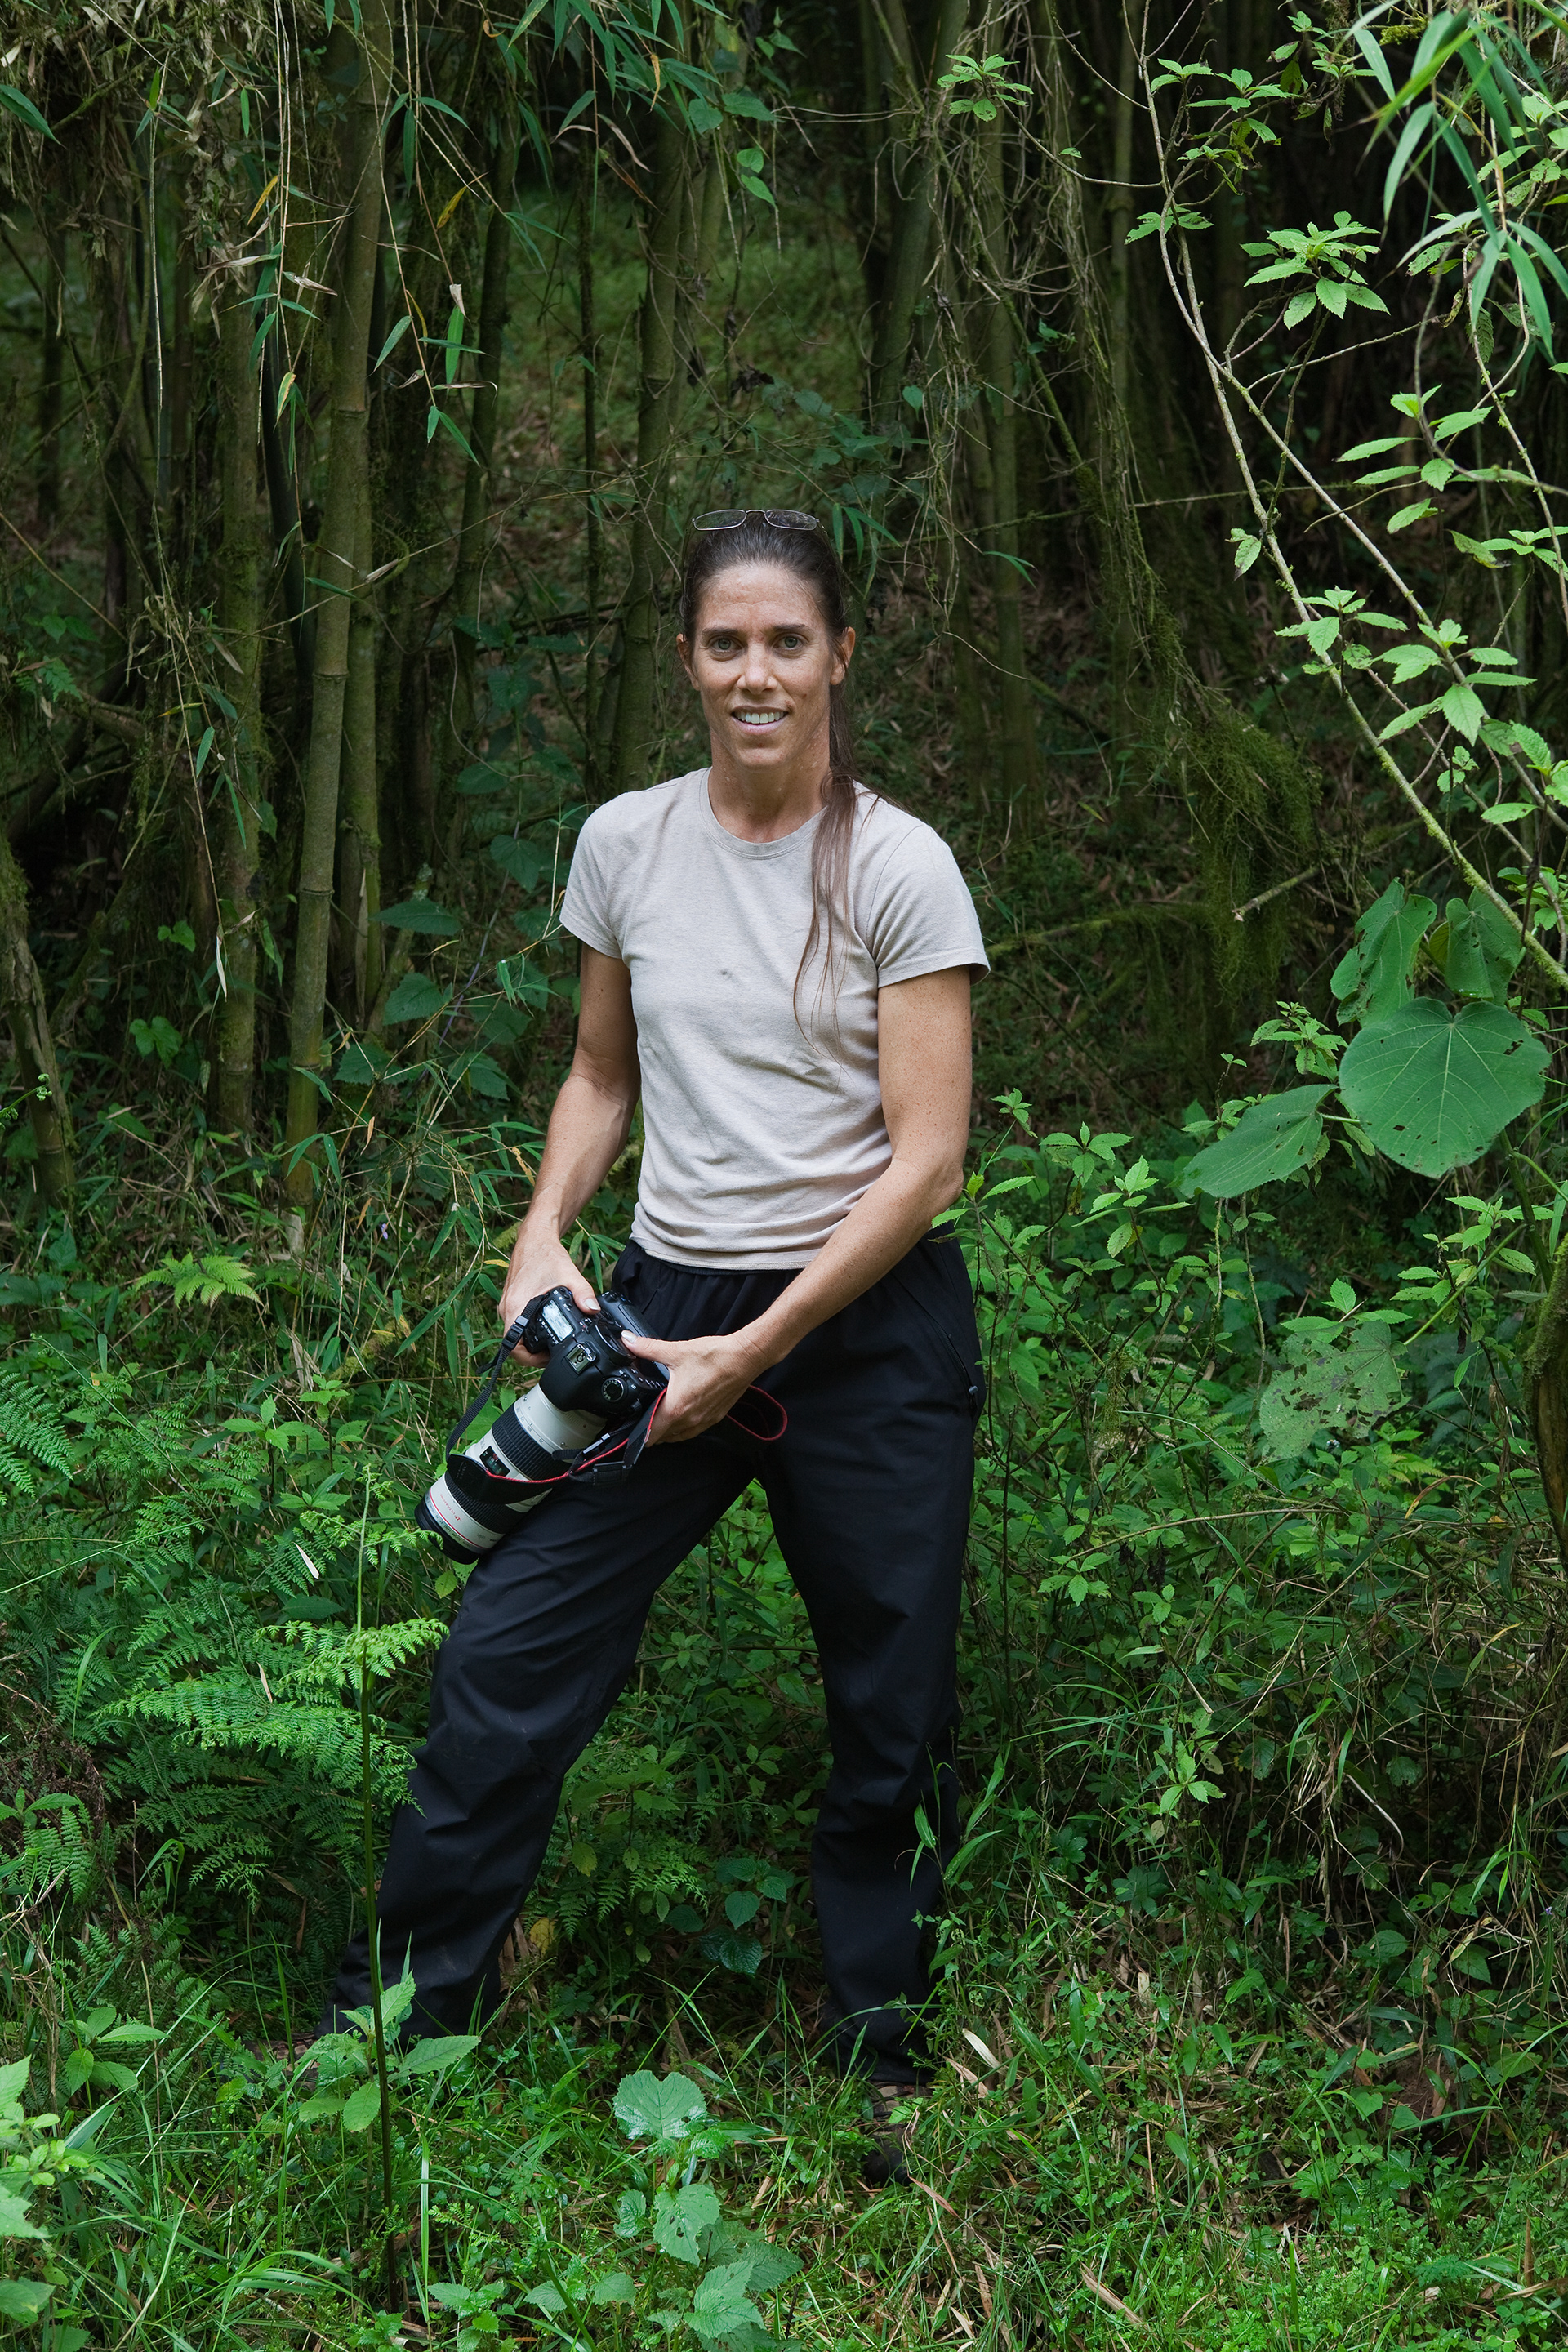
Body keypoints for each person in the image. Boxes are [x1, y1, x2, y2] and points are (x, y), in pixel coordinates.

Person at [324, 508, 988, 2173]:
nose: (753, 673)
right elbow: (602, 1073)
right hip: (661, 1313)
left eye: (785, 642)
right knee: (505, 1662)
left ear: (839, 655)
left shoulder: (901, 867)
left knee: (887, 1704)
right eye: (722, 643)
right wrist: (544, 1229)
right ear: (687, 659)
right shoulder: (626, 842)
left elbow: (928, 1160)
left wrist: (757, 1349)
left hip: (860, 1329)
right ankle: (389, 2033)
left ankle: (883, 2051)